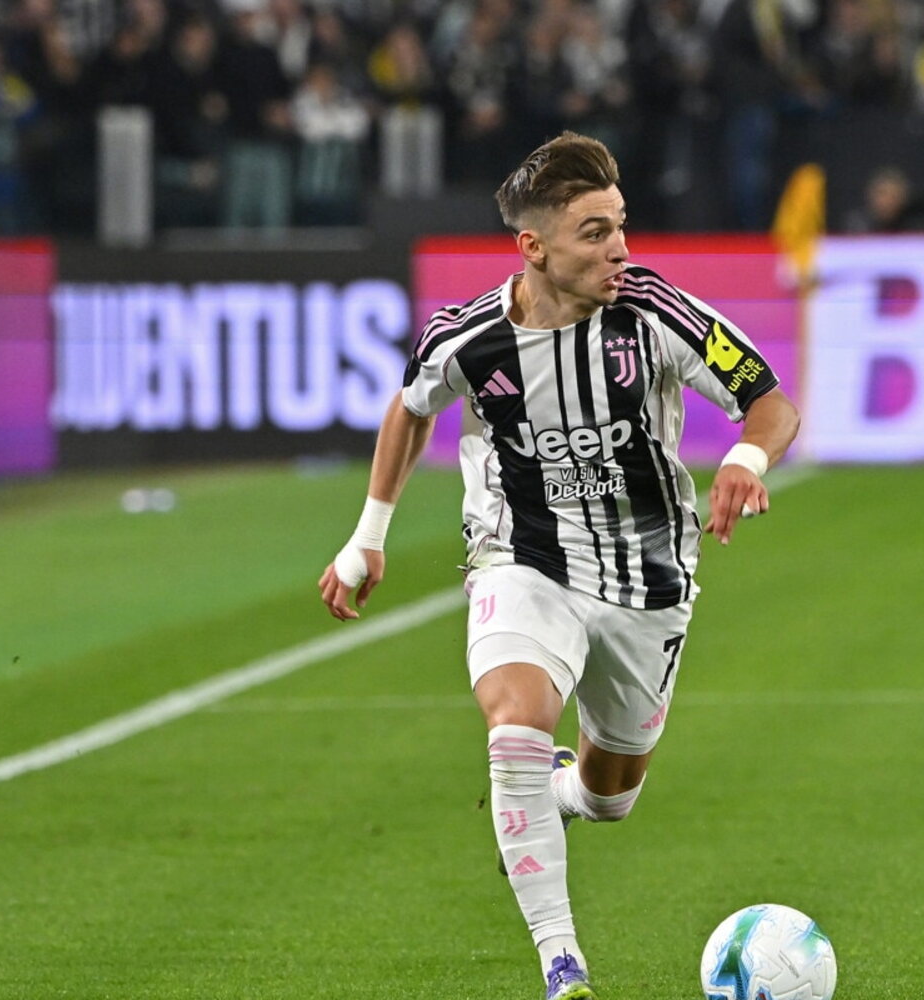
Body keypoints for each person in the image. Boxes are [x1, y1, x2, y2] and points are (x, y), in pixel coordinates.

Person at [316, 131, 800, 1000]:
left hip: (649, 580)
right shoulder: (467, 338)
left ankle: (565, 795)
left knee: (612, 795)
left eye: (621, 225)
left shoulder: (655, 313)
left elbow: (767, 401)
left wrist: (745, 458)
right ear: (533, 247)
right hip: (523, 558)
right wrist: (368, 534)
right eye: (594, 231)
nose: (619, 249)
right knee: (514, 722)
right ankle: (561, 965)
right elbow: (411, 406)